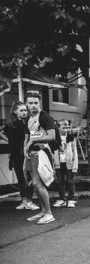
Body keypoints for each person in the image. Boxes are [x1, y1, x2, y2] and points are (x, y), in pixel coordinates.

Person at [23, 91, 56, 224]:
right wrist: (25, 148)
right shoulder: (27, 118)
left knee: (38, 183)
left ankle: (49, 213)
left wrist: (33, 142)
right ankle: (43, 211)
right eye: (30, 103)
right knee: (34, 184)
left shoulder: (44, 117)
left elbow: (51, 136)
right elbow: (26, 136)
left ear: (39, 103)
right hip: (31, 154)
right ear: (26, 104)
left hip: (42, 152)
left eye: (36, 103)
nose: (33, 106)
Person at [0, 101, 39, 210]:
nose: (24, 112)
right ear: (15, 111)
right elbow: (1, 132)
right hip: (16, 154)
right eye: (21, 110)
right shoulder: (11, 125)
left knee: (30, 177)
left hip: (28, 154)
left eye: (25, 110)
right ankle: (24, 200)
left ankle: (30, 200)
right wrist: (9, 141)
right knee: (21, 178)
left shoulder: (28, 123)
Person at [52, 119, 78, 208]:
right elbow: (53, 152)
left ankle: (71, 199)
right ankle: (62, 199)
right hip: (59, 163)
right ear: (58, 128)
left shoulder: (71, 138)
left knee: (70, 181)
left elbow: (75, 152)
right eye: (63, 127)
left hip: (69, 163)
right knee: (60, 181)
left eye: (67, 127)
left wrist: (75, 165)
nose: (66, 129)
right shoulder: (55, 138)